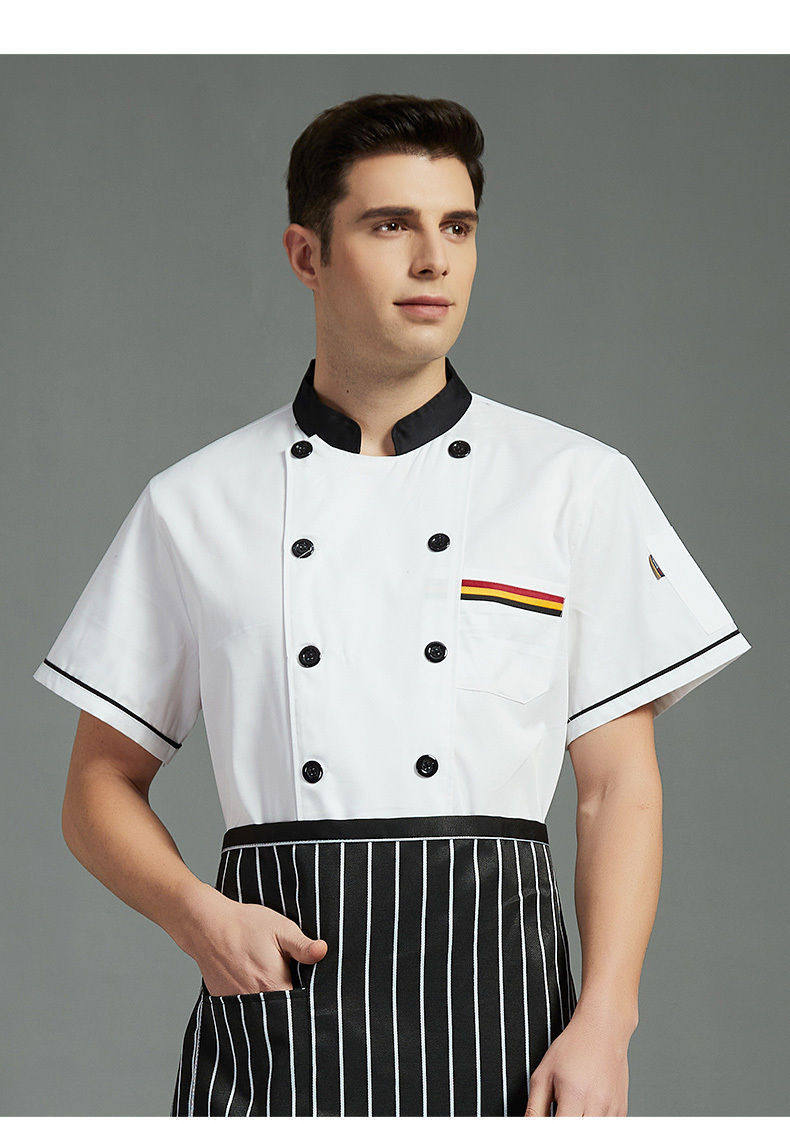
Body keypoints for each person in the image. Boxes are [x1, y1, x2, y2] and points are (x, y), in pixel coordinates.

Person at [33, 93, 752, 1118]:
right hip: (277, 1003)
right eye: (390, 225)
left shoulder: (572, 483)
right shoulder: (194, 502)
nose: (433, 261)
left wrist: (606, 1020)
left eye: (456, 227)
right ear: (306, 254)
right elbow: (96, 786)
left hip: (504, 1006)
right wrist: (196, 915)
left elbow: (617, 789)